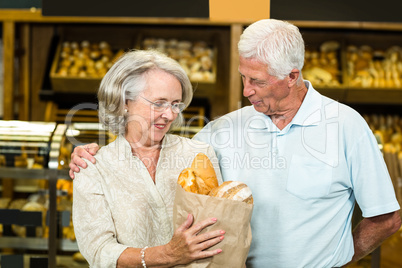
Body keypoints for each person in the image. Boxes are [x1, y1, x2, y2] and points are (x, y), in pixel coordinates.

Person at [70, 19, 401, 267]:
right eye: (244, 77)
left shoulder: (346, 126)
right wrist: (89, 155)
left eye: (256, 80)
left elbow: (387, 218)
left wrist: (339, 258)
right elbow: (160, 152)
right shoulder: (223, 131)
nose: (245, 90)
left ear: (292, 76)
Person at [71, 49, 226, 268]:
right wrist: (167, 255)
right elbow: (98, 251)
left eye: (175, 104)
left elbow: (219, 228)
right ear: (125, 101)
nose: (170, 114)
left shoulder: (199, 155)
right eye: (159, 103)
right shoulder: (94, 167)